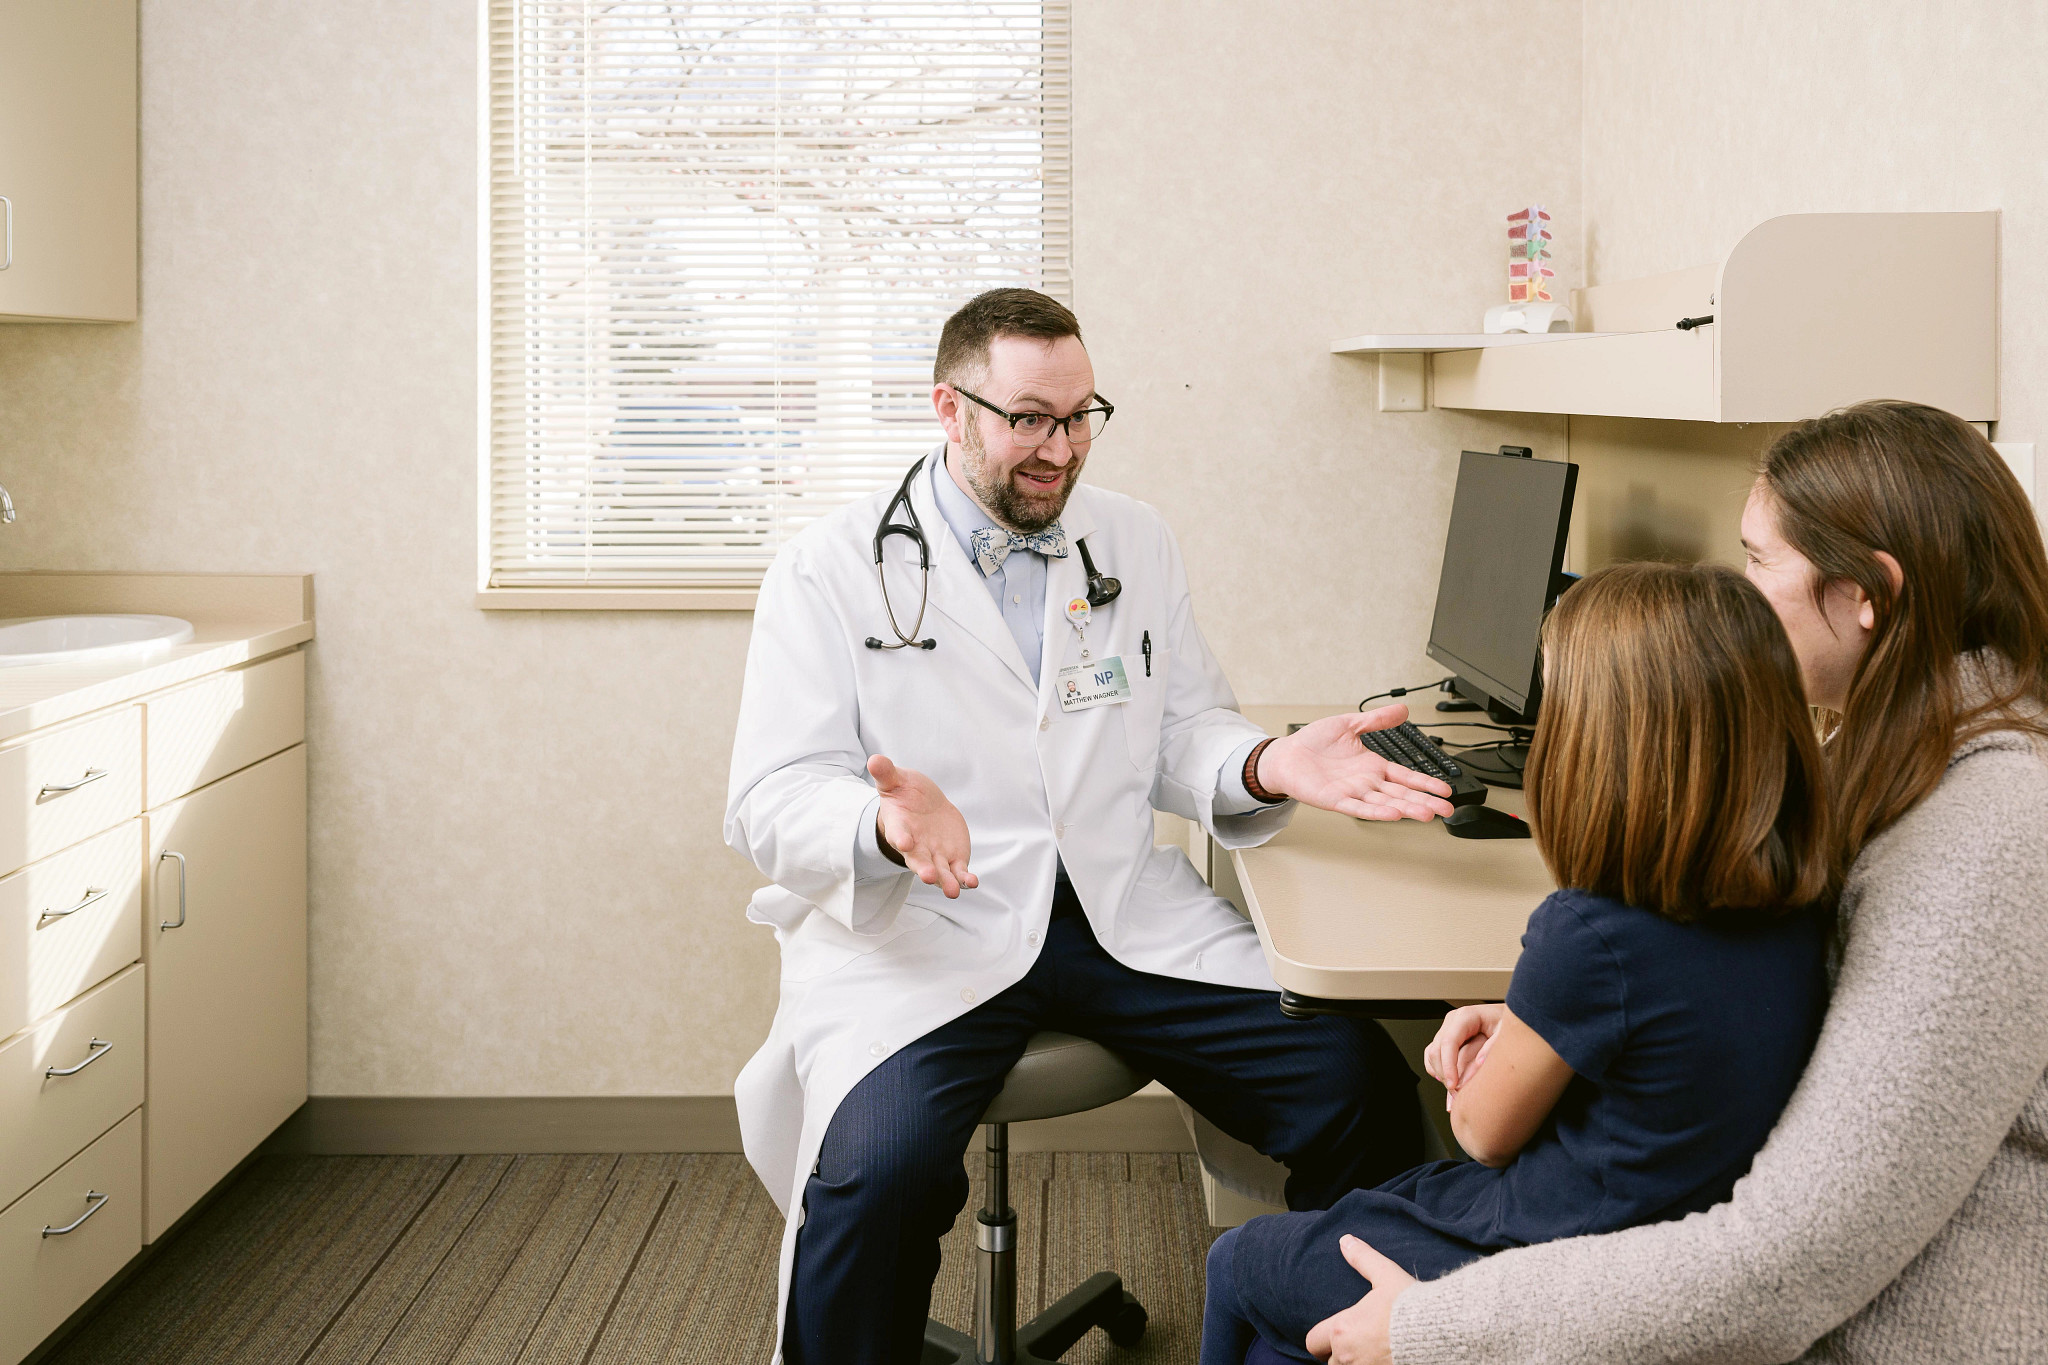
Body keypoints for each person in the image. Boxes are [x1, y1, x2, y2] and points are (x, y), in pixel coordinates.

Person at [724, 288, 1458, 1364]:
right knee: (876, 1176)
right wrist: (881, 826)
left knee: (1354, 1088)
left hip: (1116, 915)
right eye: (1028, 418)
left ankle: (1343, 1338)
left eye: (1079, 418)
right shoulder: (828, 568)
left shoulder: (1131, 539)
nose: (1059, 450)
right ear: (949, 408)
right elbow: (771, 795)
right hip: (929, 932)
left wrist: (1267, 762)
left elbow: (1182, 729)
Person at [1306, 400, 2048, 1365]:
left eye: (1758, 561)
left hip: (1864, 1332)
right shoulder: (1894, 752)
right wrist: (1551, 1023)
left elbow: (1787, 1268)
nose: (1740, 595)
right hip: (1774, 1287)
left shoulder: (1987, 835)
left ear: (1866, 591)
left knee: (1298, 1283)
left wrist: (1436, 1327)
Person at [1200, 561, 1837, 1365]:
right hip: (1660, 1244)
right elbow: (1671, 1032)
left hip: (1533, 1263)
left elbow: (1482, 1134)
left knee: (1239, 1260)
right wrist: (1524, 1021)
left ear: (1600, 746)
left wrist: (1489, 1060)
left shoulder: (1590, 932)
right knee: (1332, 1261)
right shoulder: (1802, 904)